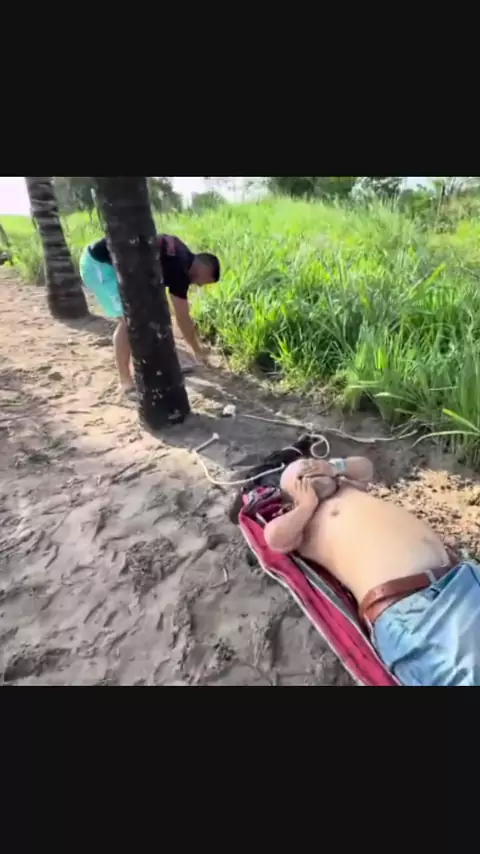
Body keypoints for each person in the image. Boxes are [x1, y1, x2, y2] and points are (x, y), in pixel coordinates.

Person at [264, 456, 480, 686]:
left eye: (312, 463)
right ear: (290, 500)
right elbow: (275, 539)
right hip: (413, 610)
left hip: (461, 580)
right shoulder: (304, 523)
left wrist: (335, 467)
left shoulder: (349, 488)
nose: (311, 470)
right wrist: (305, 505)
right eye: (301, 477)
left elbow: (366, 467)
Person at [79, 234, 221, 394]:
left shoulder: (181, 252)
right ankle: (125, 380)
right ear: (205, 268)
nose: (200, 285)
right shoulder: (179, 269)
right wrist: (197, 350)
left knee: (145, 314)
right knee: (128, 320)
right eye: (205, 281)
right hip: (99, 265)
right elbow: (182, 317)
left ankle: (149, 364)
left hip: (118, 266)